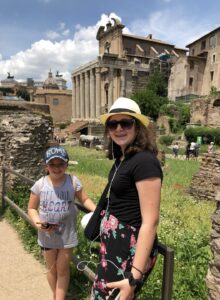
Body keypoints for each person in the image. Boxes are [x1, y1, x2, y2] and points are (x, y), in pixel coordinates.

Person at [91, 97, 162, 300]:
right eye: (113, 123)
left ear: (137, 126)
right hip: (114, 247)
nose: (119, 128)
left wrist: (134, 277)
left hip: (129, 250)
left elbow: (150, 222)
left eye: (126, 123)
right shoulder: (123, 158)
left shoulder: (144, 162)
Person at [28, 145, 96, 300]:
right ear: (46, 165)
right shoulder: (40, 184)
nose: (57, 168)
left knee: (63, 269)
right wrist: (39, 224)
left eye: (61, 164)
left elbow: (84, 199)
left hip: (67, 234)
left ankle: (59, 297)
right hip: (47, 236)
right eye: (52, 164)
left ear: (66, 165)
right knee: (52, 269)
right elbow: (31, 208)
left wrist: (98, 212)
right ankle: (57, 294)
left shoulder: (72, 181)